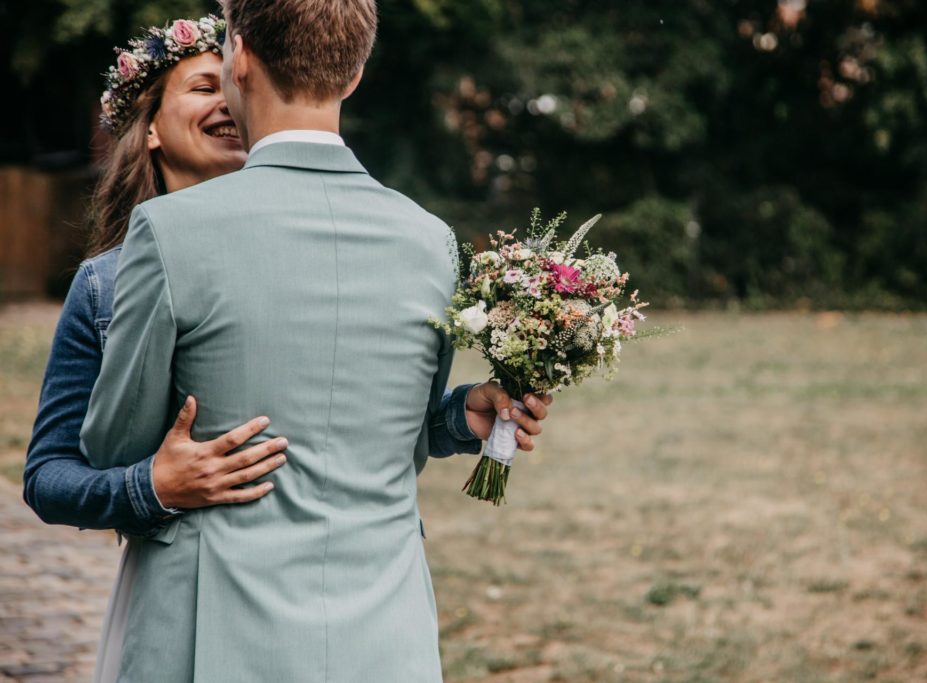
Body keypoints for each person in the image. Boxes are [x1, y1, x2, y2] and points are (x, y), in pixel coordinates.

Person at [24, 12, 550, 682]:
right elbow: (67, 469)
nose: (220, 101)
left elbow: (113, 443)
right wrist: (149, 485)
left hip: (220, 628)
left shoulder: (173, 231)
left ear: (241, 60)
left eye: (220, 76)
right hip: (383, 635)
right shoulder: (430, 239)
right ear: (355, 74)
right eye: (196, 88)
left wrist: (461, 414)